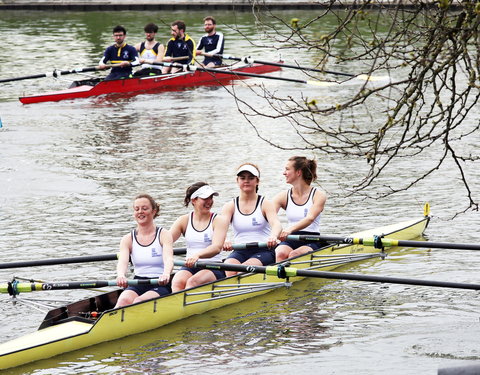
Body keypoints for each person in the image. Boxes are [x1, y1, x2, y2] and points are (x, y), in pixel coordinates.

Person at [222, 163, 282, 277]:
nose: (246, 181)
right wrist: (224, 240)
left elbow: (276, 224)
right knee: (228, 266)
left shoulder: (265, 203)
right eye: (242, 178)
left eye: (251, 178)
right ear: (237, 181)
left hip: (264, 250)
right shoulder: (230, 206)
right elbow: (221, 229)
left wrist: (274, 236)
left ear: (257, 181)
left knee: (243, 269)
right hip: (240, 250)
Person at [115, 194, 174, 308]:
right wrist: (121, 275)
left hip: (160, 283)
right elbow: (122, 261)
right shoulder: (127, 239)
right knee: (123, 301)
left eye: (144, 208)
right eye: (137, 209)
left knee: (139, 301)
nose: (140, 212)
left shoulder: (163, 234)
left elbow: (169, 259)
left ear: (153, 211)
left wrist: (166, 273)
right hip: (137, 282)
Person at [170, 182, 228, 292]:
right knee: (177, 282)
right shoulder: (184, 220)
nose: (209, 201)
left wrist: (197, 255)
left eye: (211, 197)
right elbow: (165, 241)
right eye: (205, 198)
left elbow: (216, 247)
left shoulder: (219, 220)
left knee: (193, 282)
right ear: (194, 200)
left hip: (214, 266)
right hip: (190, 265)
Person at [273, 156, 327, 262]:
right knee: (281, 253)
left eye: (287, 169)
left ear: (298, 172)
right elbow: (270, 218)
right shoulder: (282, 196)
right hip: (291, 238)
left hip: (311, 239)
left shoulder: (318, 195)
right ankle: (279, 277)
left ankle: (293, 276)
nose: (284, 173)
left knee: (294, 254)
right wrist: (274, 234)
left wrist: (289, 229)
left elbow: (310, 218)